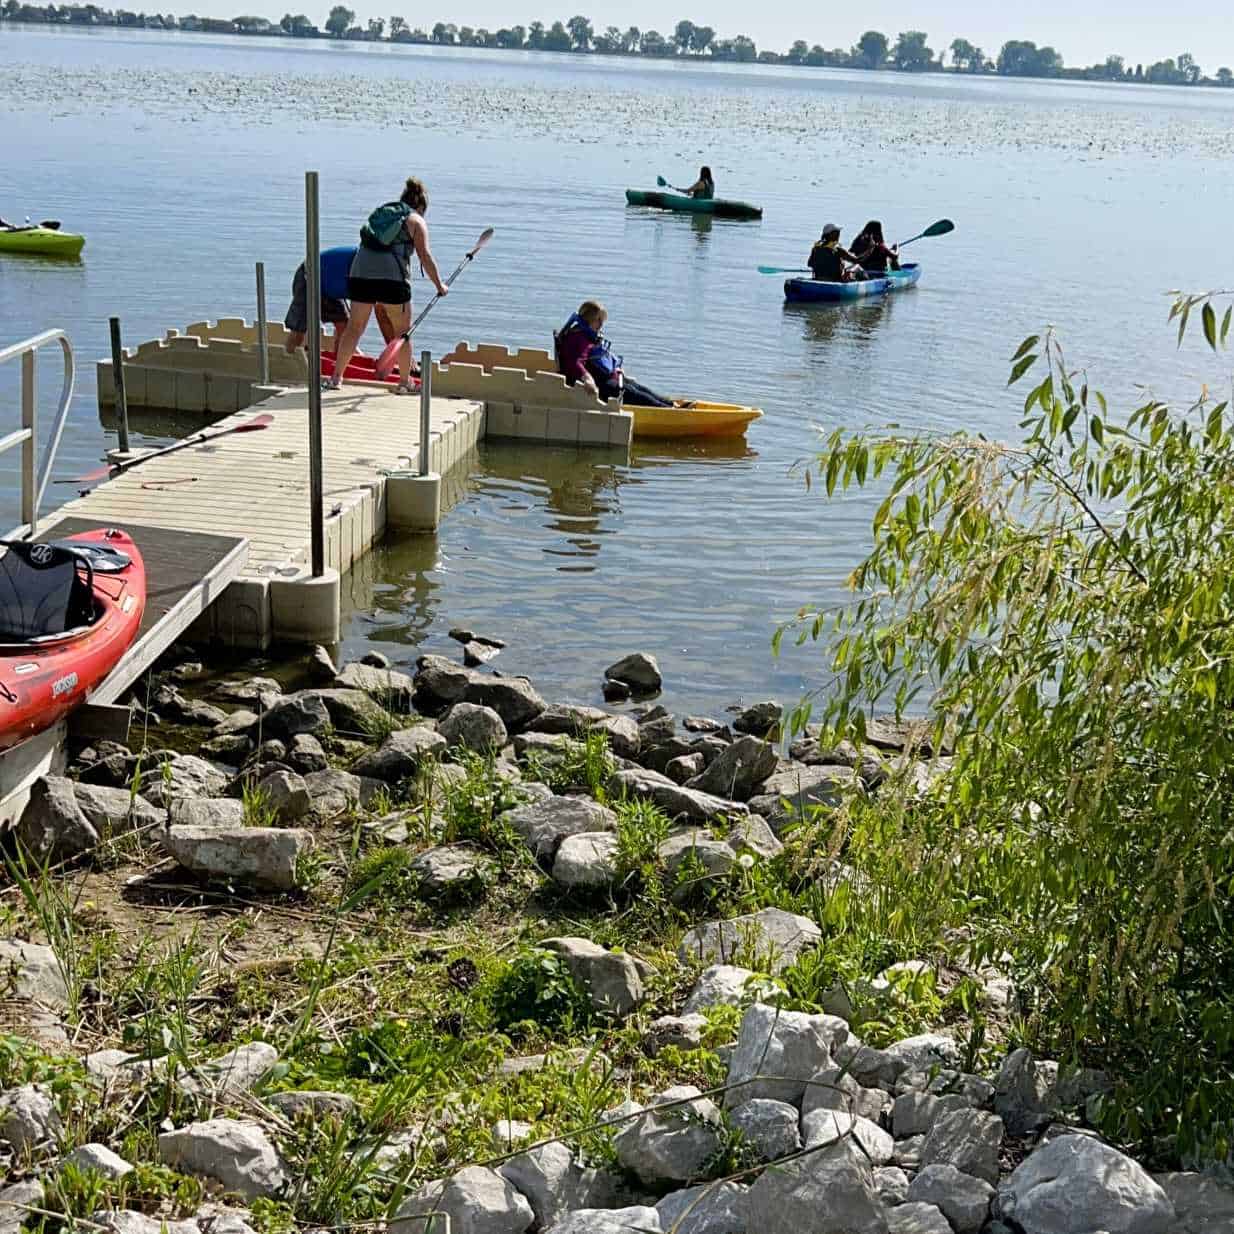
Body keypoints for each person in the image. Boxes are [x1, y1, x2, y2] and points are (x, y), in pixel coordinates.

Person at [326, 177, 448, 394]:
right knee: (402, 332)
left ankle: (336, 379)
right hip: (392, 280)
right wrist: (440, 285)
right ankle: (404, 382)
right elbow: (425, 257)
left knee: (354, 328)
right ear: (420, 207)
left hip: (359, 273)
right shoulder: (416, 221)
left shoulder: (384, 213)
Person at [554, 301, 675, 408]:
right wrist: (587, 378)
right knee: (629, 391)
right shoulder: (578, 337)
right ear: (588, 318)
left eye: (602, 320)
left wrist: (616, 369)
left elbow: (602, 357)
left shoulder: (587, 334)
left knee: (635, 386)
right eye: (598, 320)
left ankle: (670, 405)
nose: (601, 324)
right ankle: (667, 410)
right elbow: (575, 362)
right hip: (598, 383)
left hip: (606, 377)